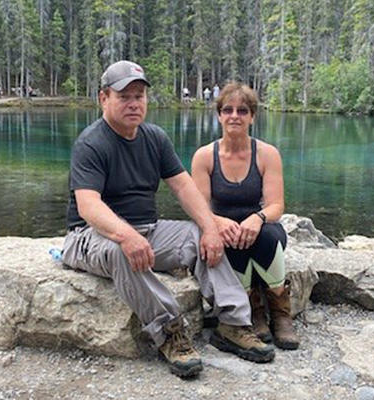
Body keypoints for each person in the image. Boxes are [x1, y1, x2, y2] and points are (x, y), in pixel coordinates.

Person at [62, 61, 274, 378]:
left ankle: (232, 324)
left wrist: (209, 227)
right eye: (124, 97)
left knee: (196, 236)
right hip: (90, 236)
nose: (134, 103)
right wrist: (126, 236)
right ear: (103, 98)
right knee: (122, 251)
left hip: (148, 230)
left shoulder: (154, 138)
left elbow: (183, 186)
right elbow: (88, 206)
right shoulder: (92, 143)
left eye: (139, 96)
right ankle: (171, 333)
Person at [191, 82, 300, 350]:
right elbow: (198, 207)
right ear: (219, 115)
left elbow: (276, 206)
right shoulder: (205, 157)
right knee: (229, 237)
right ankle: (254, 309)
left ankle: (280, 311)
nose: (234, 116)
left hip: (261, 228)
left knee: (266, 235)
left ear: (252, 116)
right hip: (225, 230)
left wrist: (257, 218)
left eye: (242, 111)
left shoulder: (267, 154)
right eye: (227, 110)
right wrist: (217, 222)